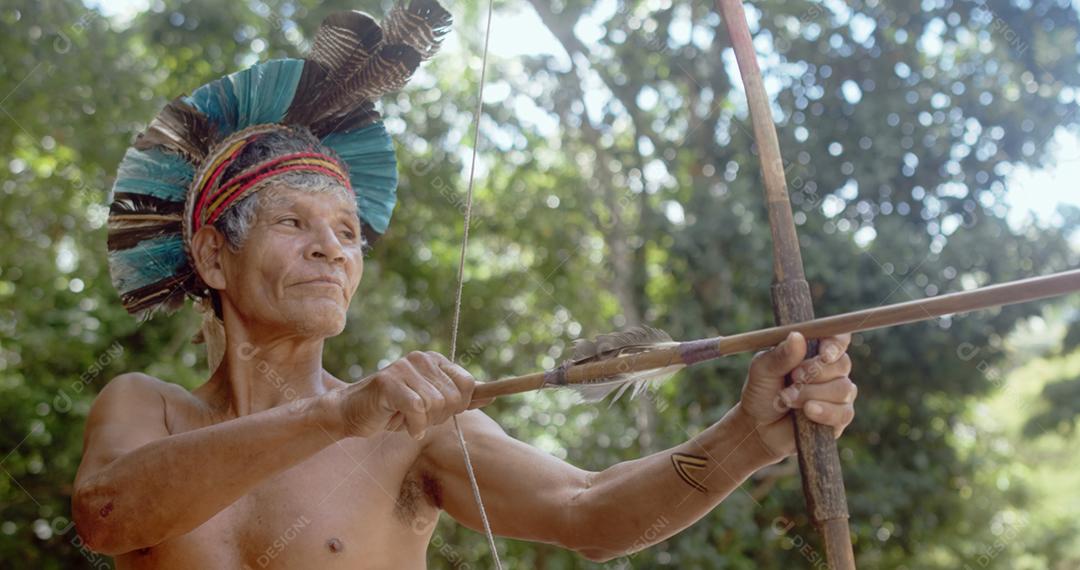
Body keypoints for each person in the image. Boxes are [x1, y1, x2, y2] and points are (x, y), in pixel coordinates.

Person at [74, 3, 857, 568]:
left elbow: (588, 511)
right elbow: (106, 518)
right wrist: (339, 417)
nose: (332, 252)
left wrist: (749, 437)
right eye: (293, 224)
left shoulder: (411, 427)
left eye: (349, 232)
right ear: (213, 258)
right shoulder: (147, 408)